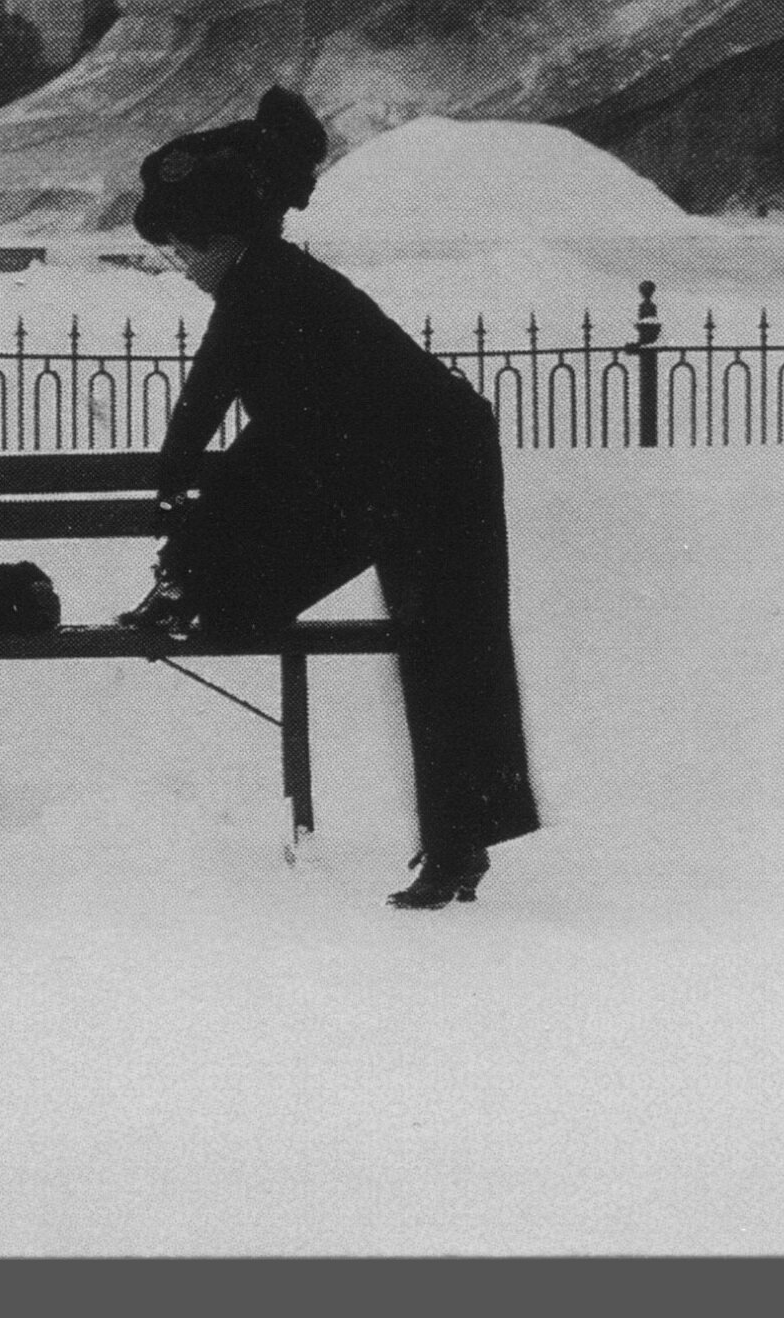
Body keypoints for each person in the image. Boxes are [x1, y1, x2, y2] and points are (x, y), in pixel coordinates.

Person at [121, 87, 541, 909]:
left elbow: (217, 405)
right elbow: (247, 421)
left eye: (181, 250)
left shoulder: (263, 289)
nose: (181, 267)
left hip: (433, 467)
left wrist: (180, 505)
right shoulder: (265, 281)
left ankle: (458, 849)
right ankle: (458, 847)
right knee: (447, 653)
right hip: (411, 464)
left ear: (222, 237)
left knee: (449, 651)